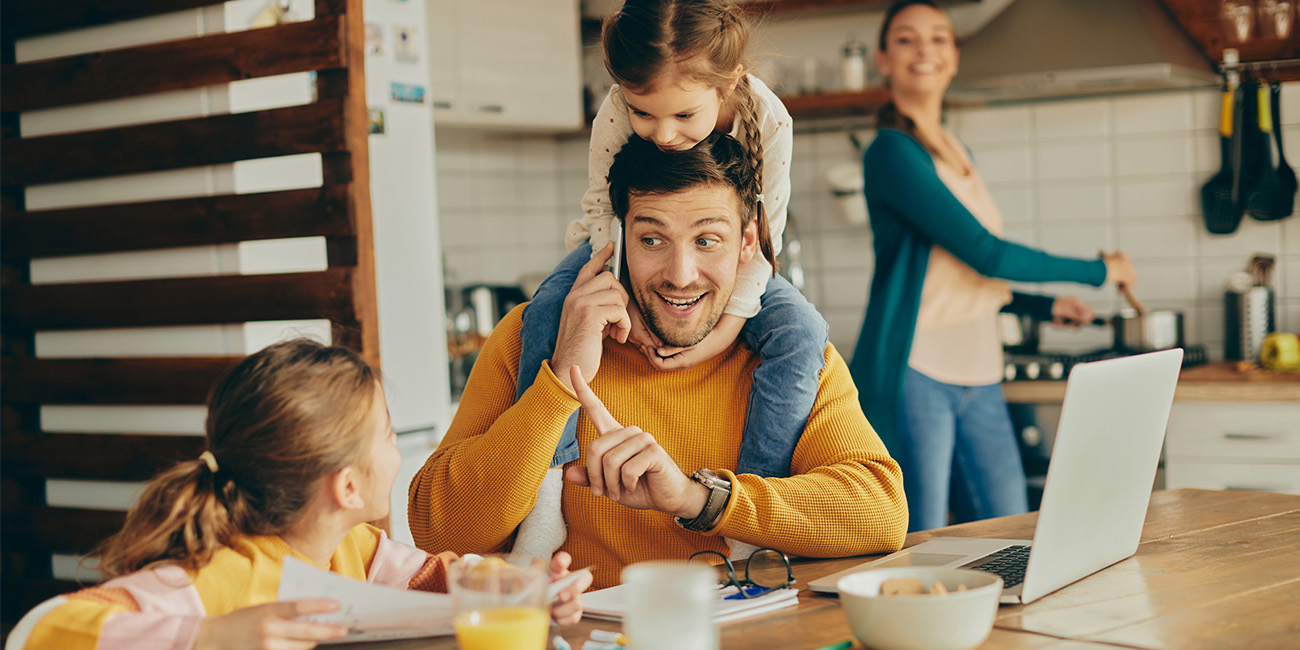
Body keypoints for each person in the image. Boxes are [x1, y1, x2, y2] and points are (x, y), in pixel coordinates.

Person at [410, 133, 908, 590]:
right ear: (618, 237)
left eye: (707, 240)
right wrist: (559, 380)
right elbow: (438, 531)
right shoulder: (532, 337)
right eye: (651, 239)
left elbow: (881, 512)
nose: (680, 274)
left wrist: (698, 500)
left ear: (747, 243)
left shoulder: (789, 352)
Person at [511, 0, 829, 560]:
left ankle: (746, 514)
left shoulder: (770, 118)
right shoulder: (614, 110)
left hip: (746, 269)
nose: (661, 134)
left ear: (727, 83)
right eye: (644, 114)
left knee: (803, 330)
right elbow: (599, 210)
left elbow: (763, 237)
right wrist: (619, 293)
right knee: (546, 309)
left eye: (684, 116)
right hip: (611, 243)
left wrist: (728, 328)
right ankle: (546, 492)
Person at [19, 339, 590, 649]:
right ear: (346, 486)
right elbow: (42, 631)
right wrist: (205, 638)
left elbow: (436, 581)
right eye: (389, 437)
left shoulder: (356, 549)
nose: (397, 451)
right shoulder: (214, 575)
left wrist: (524, 592)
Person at [849, 0, 1140, 533]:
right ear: (884, 60)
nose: (925, 51)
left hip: (980, 369)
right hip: (918, 370)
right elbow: (986, 250)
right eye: (908, 39)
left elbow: (970, 270)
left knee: (1008, 532)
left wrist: (1043, 304)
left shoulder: (957, 152)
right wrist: (1099, 269)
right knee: (923, 537)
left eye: (938, 38)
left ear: (954, 58)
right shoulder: (891, 153)